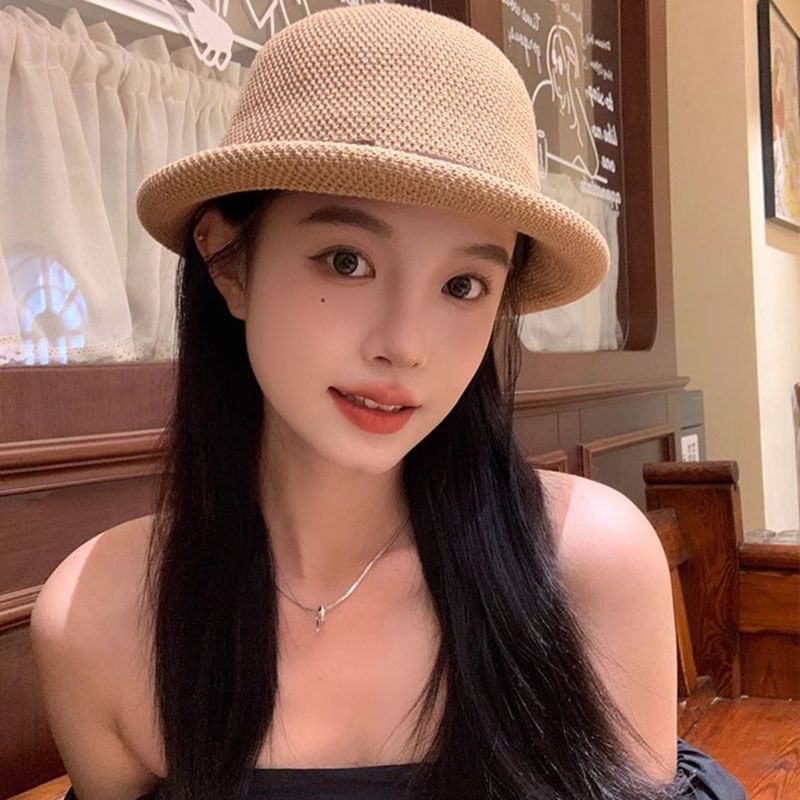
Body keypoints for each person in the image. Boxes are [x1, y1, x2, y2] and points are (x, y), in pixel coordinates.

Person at [30, 5, 747, 800]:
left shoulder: (588, 565)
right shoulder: (100, 619)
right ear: (228, 261)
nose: (405, 344)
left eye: (463, 285)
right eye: (346, 261)